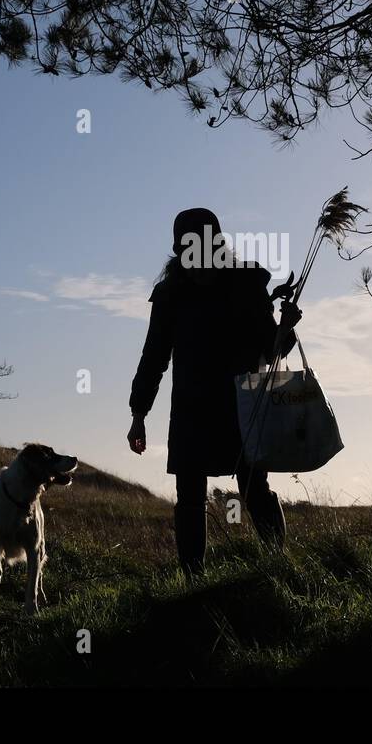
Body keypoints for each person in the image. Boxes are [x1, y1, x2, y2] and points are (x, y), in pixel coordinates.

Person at [128, 207, 301, 577]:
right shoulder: (188, 292)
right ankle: (211, 579)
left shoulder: (228, 286)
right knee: (215, 492)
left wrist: (286, 328)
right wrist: (138, 413)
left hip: (223, 407)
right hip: (220, 408)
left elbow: (271, 349)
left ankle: (269, 569)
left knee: (234, 490)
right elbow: (155, 357)